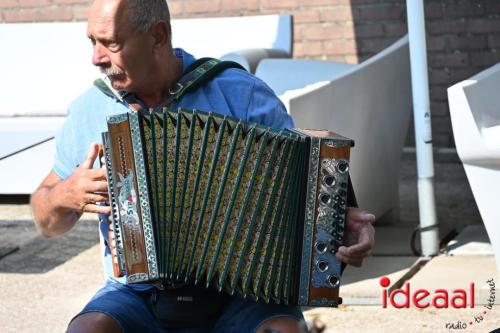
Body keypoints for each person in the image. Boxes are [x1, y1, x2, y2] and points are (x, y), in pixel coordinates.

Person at [30, 0, 376, 332]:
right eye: (92, 42)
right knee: (88, 329)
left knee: (283, 329)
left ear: (159, 36)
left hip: (243, 294)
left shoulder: (241, 94)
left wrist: (338, 221)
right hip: (137, 294)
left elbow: (303, 181)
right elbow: (45, 222)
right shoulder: (91, 109)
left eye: (111, 43)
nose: (96, 58)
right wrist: (63, 195)